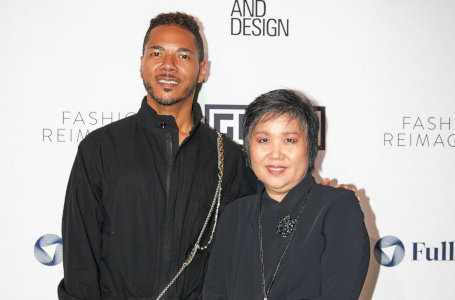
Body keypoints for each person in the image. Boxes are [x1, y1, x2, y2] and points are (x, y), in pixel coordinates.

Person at [57, 12, 255, 299]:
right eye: (157, 53)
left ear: (202, 70)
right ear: (141, 65)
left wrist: (322, 197)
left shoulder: (230, 159)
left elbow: (256, 243)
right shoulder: (100, 149)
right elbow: (79, 261)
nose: (168, 65)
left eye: (183, 56)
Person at [203, 89, 370, 300]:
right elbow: (215, 293)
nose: (275, 154)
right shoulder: (235, 214)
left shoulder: (337, 207)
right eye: (263, 140)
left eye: (289, 140)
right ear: (248, 147)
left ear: (309, 146)